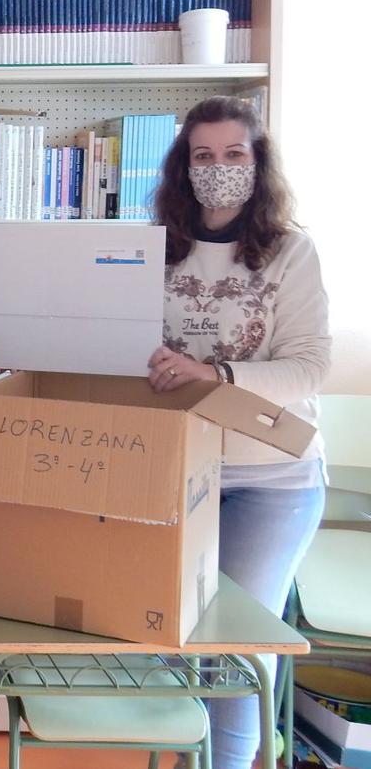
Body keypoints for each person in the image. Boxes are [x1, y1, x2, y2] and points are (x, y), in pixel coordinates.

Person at [148, 95, 329, 769]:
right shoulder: (156, 250)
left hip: (272, 478)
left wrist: (214, 372)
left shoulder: (290, 252)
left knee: (239, 646)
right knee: (175, 634)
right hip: (180, 470)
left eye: (233, 154)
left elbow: (310, 368)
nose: (217, 168)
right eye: (203, 156)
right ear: (183, 167)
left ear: (258, 164)